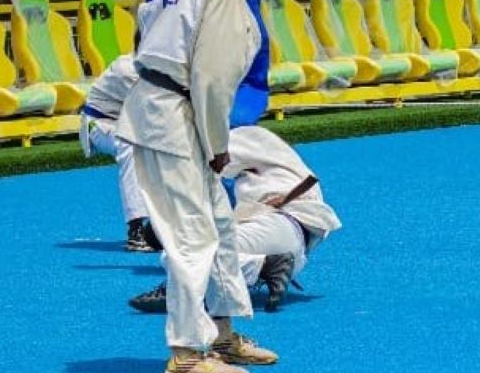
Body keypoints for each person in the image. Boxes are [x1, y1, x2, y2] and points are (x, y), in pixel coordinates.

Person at [115, 0, 273, 373]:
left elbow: (145, 38)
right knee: (192, 235)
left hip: (160, 106)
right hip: (176, 117)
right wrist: (217, 142)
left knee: (220, 225)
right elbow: (213, 76)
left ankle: (222, 334)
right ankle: (185, 353)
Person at [131, 125, 342, 314]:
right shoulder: (270, 162)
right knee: (212, 257)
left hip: (279, 228)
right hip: (290, 249)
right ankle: (261, 267)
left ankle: (181, 289)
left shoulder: (242, 137)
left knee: (177, 254)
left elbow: (200, 166)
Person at [81, 53, 158, 252]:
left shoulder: (162, 65)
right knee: (131, 146)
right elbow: (155, 110)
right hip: (101, 124)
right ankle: (136, 228)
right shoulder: (128, 70)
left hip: (130, 123)